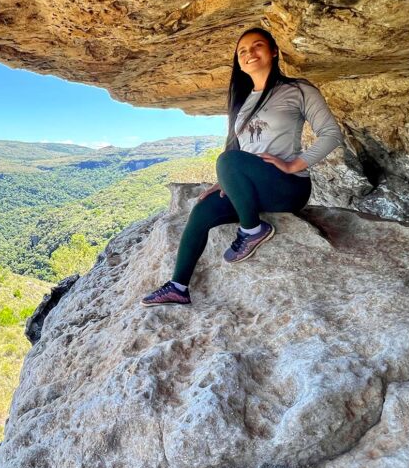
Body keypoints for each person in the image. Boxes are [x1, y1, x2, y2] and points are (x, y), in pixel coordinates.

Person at [141, 26, 344, 306]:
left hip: (287, 186)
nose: (250, 53)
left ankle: (252, 230)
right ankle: (178, 287)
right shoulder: (243, 101)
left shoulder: (298, 89)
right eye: (242, 51)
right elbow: (239, 150)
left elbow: (331, 134)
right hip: (253, 185)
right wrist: (225, 180)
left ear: (274, 51)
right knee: (202, 210)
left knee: (227, 160)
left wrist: (293, 164)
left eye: (257, 45)